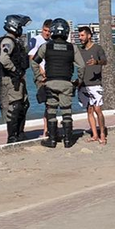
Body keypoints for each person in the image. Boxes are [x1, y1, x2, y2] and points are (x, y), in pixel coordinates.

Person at [33, 18, 85, 148]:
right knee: (66, 112)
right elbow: (82, 66)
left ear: (52, 31)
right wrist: (79, 81)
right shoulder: (72, 48)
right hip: (66, 83)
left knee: (51, 110)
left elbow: (34, 62)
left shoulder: (45, 46)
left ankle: (52, 140)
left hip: (50, 83)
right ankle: (68, 140)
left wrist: (39, 77)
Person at [0, 14, 32, 143]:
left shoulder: (14, 41)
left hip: (18, 78)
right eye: (20, 26)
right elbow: (3, 59)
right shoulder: (8, 41)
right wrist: (15, 70)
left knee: (24, 104)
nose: (21, 29)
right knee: (16, 106)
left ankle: (20, 133)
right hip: (12, 79)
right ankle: (12, 136)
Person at [77, 26, 107, 145]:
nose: (80, 38)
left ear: (89, 36)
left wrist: (96, 62)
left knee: (98, 109)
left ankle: (102, 134)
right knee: (89, 110)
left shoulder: (97, 48)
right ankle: (95, 135)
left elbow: (105, 61)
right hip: (83, 84)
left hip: (95, 84)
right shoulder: (80, 50)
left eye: (82, 35)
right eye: (79, 35)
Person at [29, 19, 52, 138]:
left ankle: (49, 128)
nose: (47, 33)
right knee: (47, 103)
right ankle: (46, 130)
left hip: (52, 76)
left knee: (52, 104)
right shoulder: (35, 40)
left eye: (49, 31)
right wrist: (40, 72)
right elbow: (32, 58)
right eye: (45, 30)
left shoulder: (53, 42)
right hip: (42, 77)